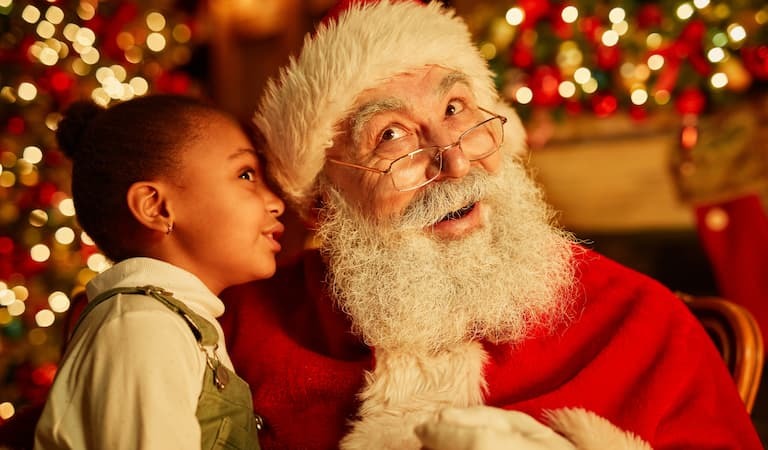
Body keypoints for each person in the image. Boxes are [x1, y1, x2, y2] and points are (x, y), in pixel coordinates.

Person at [219, 1, 763, 449]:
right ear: (322, 203)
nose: (454, 163)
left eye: (457, 108)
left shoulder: (641, 322)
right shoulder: (243, 326)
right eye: (391, 136)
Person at [34, 95, 285, 450]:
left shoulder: (176, 323)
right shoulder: (143, 327)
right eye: (246, 175)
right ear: (155, 207)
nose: (276, 201)